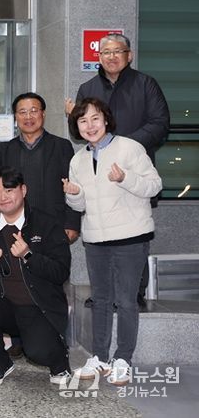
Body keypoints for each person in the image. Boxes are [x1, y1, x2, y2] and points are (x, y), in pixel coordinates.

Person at [0, 92, 79, 359]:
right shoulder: (7, 149)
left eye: (34, 110)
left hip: (51, 226)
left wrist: (71, 221)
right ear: (15, 117)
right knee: (18, 278)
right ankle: (20, 337)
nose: (28, 116)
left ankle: (53, 332)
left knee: (49, 279)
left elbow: (72, 186)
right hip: (17, 225)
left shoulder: (61, 146)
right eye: (22, 111)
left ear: (43, 114)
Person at [65, 33, 170, 305]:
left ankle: (134, 292)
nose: (111, 57)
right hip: (98, 173)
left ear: (129, 55)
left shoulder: (146, 84)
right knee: (102, 229)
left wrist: (122, 147)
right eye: (105, 53)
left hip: (133, 172)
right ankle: (104, 292)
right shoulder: (87, 88)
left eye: (117, 51)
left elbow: (160, 123)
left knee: (134, 231)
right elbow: (78, 131)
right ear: (98, 57)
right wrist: (72, 118)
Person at [64, 98, 162, 386]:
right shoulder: (78, 160)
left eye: (95, 118)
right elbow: (81, 205)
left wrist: (125, 178)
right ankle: (100, 357)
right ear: (77, 126)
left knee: (126, 301)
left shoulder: (129, 148)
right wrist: (73, 194)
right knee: (101, 300)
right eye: (83, 121)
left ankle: (123, 359)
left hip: (130, 237)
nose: (90, 125)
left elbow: (154, 185)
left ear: (106, 119)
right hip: (96, 239)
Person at [0, 166, 71, 387]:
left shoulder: (46, 223)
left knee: (38, 352)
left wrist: (28, 255)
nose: (2, 197)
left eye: (9, 190)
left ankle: (60, 361)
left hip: (38, 306)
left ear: (23, 190)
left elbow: (61, 271)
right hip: (3, 305)